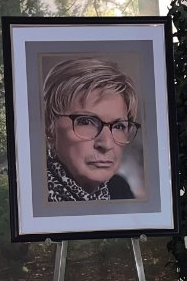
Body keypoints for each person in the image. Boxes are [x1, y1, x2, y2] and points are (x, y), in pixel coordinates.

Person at [41, 57, 140, 201]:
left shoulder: (119, 189)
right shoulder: (30, 194)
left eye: (119, 126)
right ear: (50, 128)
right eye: (86, 122)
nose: (106, 144)